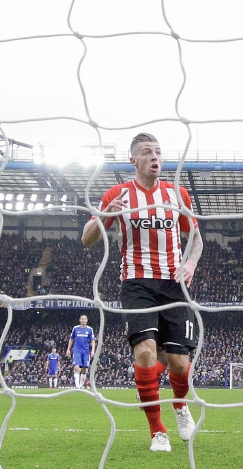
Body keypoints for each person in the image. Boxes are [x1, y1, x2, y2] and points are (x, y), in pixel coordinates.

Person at [81, 133, 203, 453]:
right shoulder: (117, 194)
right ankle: (157, 431)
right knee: (146, 352)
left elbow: (196, 239)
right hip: (136, 283)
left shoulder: (178, 195)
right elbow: (87, 239)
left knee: (177, 360)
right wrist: (107, 214)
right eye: (147, 152)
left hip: (173, 284)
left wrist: (190, 262)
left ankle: (179, 407)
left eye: (158, 152)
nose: (155, 156)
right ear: (133, 160)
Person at [66, 315, 95, 389]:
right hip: (77, 350)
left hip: (86, 351)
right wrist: (68, 349)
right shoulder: (75, 328)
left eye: (85, 319)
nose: (83, 320)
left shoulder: (89, 329)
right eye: (82, 319)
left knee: (84, 368)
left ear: (87, 320)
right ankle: (77, 385)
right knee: (76, 367)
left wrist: (92, 350)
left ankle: (81, 385)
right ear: (79, 320)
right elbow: (71, 339)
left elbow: (92, 340)